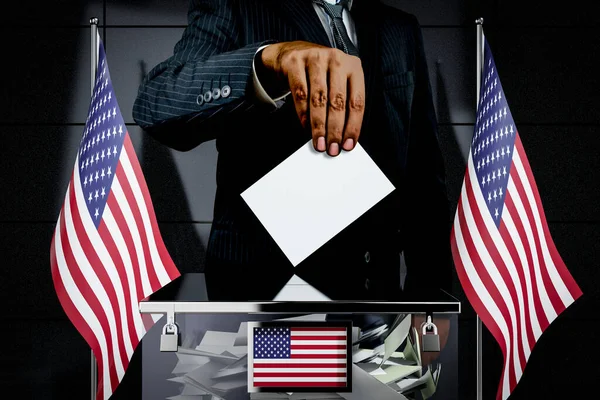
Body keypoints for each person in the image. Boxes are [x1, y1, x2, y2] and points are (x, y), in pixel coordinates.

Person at [132, 0, 453, 302]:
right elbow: (157, 104)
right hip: (262, 296)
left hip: (375, 299)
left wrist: (431, 297)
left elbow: (423, 178)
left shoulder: (399, 28)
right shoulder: (235, 5)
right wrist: (264, 66)